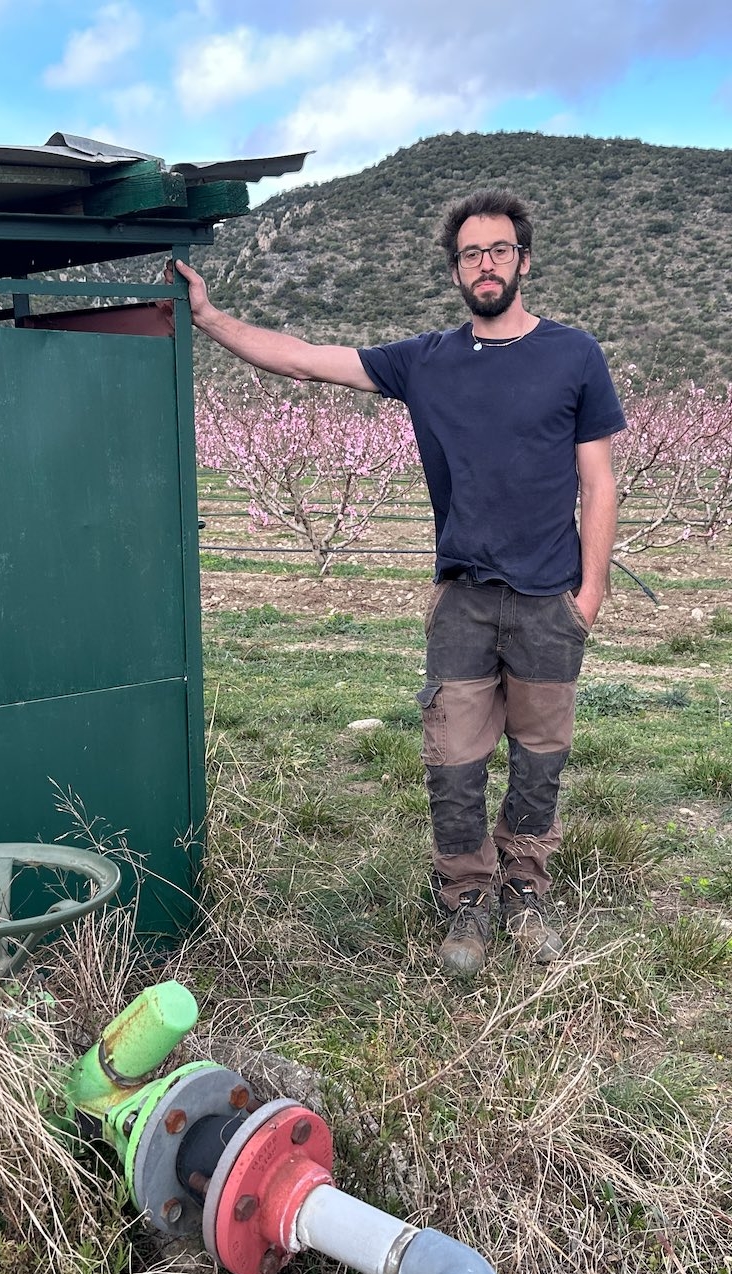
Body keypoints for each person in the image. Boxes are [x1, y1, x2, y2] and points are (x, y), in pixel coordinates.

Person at [171, 189, 624, 979]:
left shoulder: (574, 355)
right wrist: (211, 320)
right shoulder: (427, 360)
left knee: (541, 756)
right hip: (464, 598)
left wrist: (590, 595)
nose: (487, 265)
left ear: (525, 259)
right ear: (456, 270)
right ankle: (466, 898)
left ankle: (526, 888)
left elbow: (600, 480)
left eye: (500, 250)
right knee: (452, 758)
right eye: (471, 254)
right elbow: (307, 358)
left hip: (550, 597)